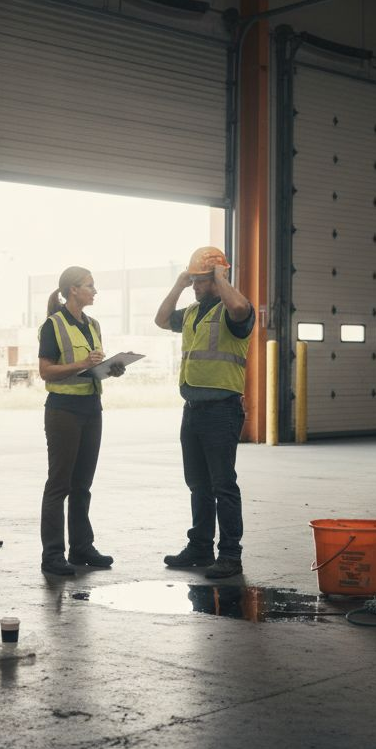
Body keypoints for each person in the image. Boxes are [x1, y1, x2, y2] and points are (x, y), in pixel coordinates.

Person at [154, 246, 254, 579]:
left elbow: (238, 307)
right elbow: (161, 319)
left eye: (201, 280)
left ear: (217, 277)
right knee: (198, 484)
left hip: (221, 410)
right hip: (193, 409)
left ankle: (230, 555)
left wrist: (220, 278)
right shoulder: (193, 312)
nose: (196, 286)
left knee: (223, 484)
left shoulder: (235, 311)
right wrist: (180, 284)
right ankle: (200, 547)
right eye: (194, 280)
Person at [37, 266, 125, 576]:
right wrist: (81, 364)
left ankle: (81, 548)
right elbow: (46, 371)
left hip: (91, 407)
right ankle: (52, 555)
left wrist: (111, 368)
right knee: (59, 484)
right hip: (63, 410)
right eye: (90, 285)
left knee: (82, 485)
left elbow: (91, 367)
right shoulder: (53, 325)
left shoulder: (93, 325)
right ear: (73, 290)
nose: (95, 291)